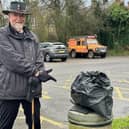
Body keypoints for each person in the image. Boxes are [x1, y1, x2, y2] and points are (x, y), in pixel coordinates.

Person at [0, 1, 56, 129]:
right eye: (15, 14)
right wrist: (35, 72)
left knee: (35, 125)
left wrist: (41, 72)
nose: (19, 18)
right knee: (4, 126)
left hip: (31, 90)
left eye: (22, 15)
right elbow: (12, 60)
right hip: (9, 91)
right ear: (8, 15)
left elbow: (39, 59)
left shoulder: (32, 37)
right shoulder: (2, 35)